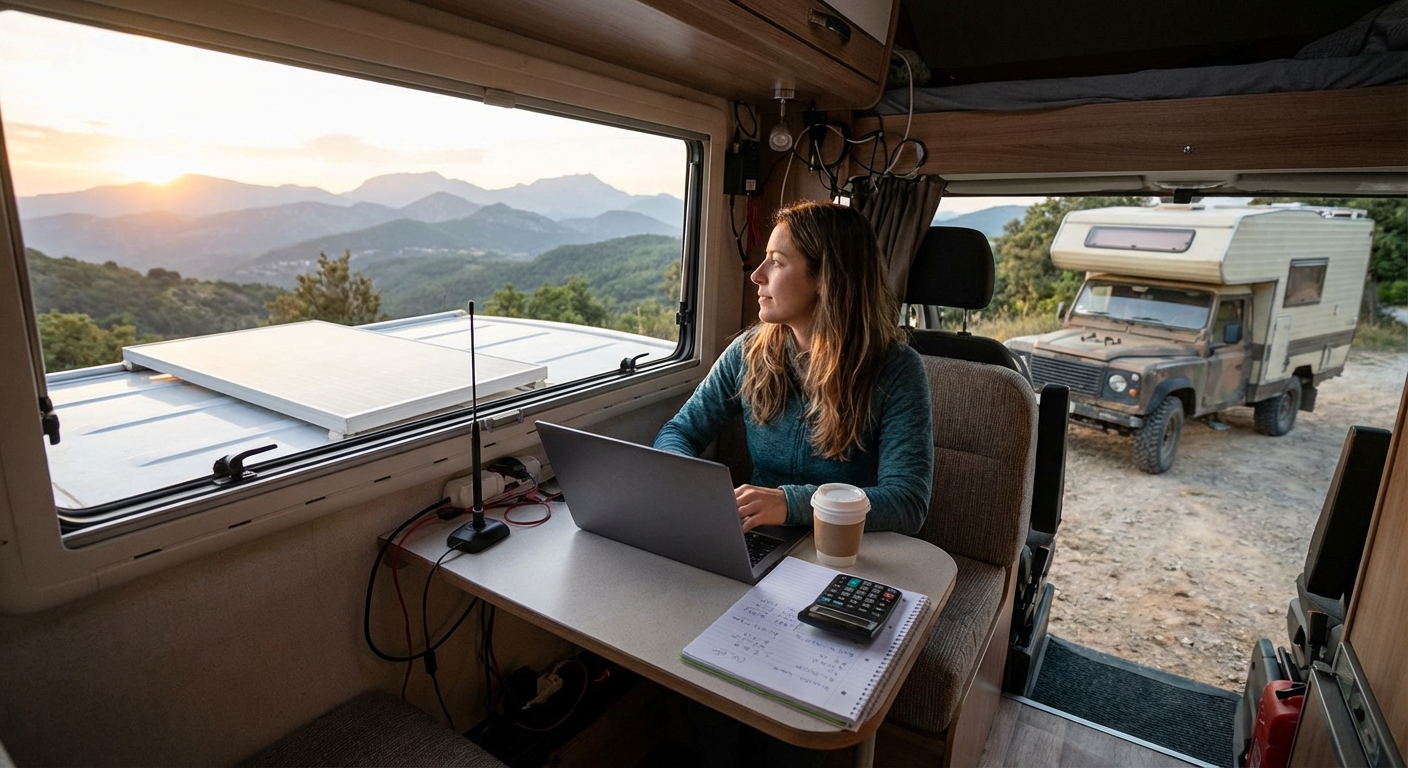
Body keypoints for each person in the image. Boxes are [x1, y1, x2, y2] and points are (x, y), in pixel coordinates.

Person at [653, 200, 933, 536]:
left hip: (845, 548)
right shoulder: (748, 352)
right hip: (759, 537)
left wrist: (790, 504)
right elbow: (679, 432)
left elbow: (907, 503)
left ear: (825, 278)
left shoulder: (897, 370)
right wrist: (693, 484)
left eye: (776, 262)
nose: (757, 275)